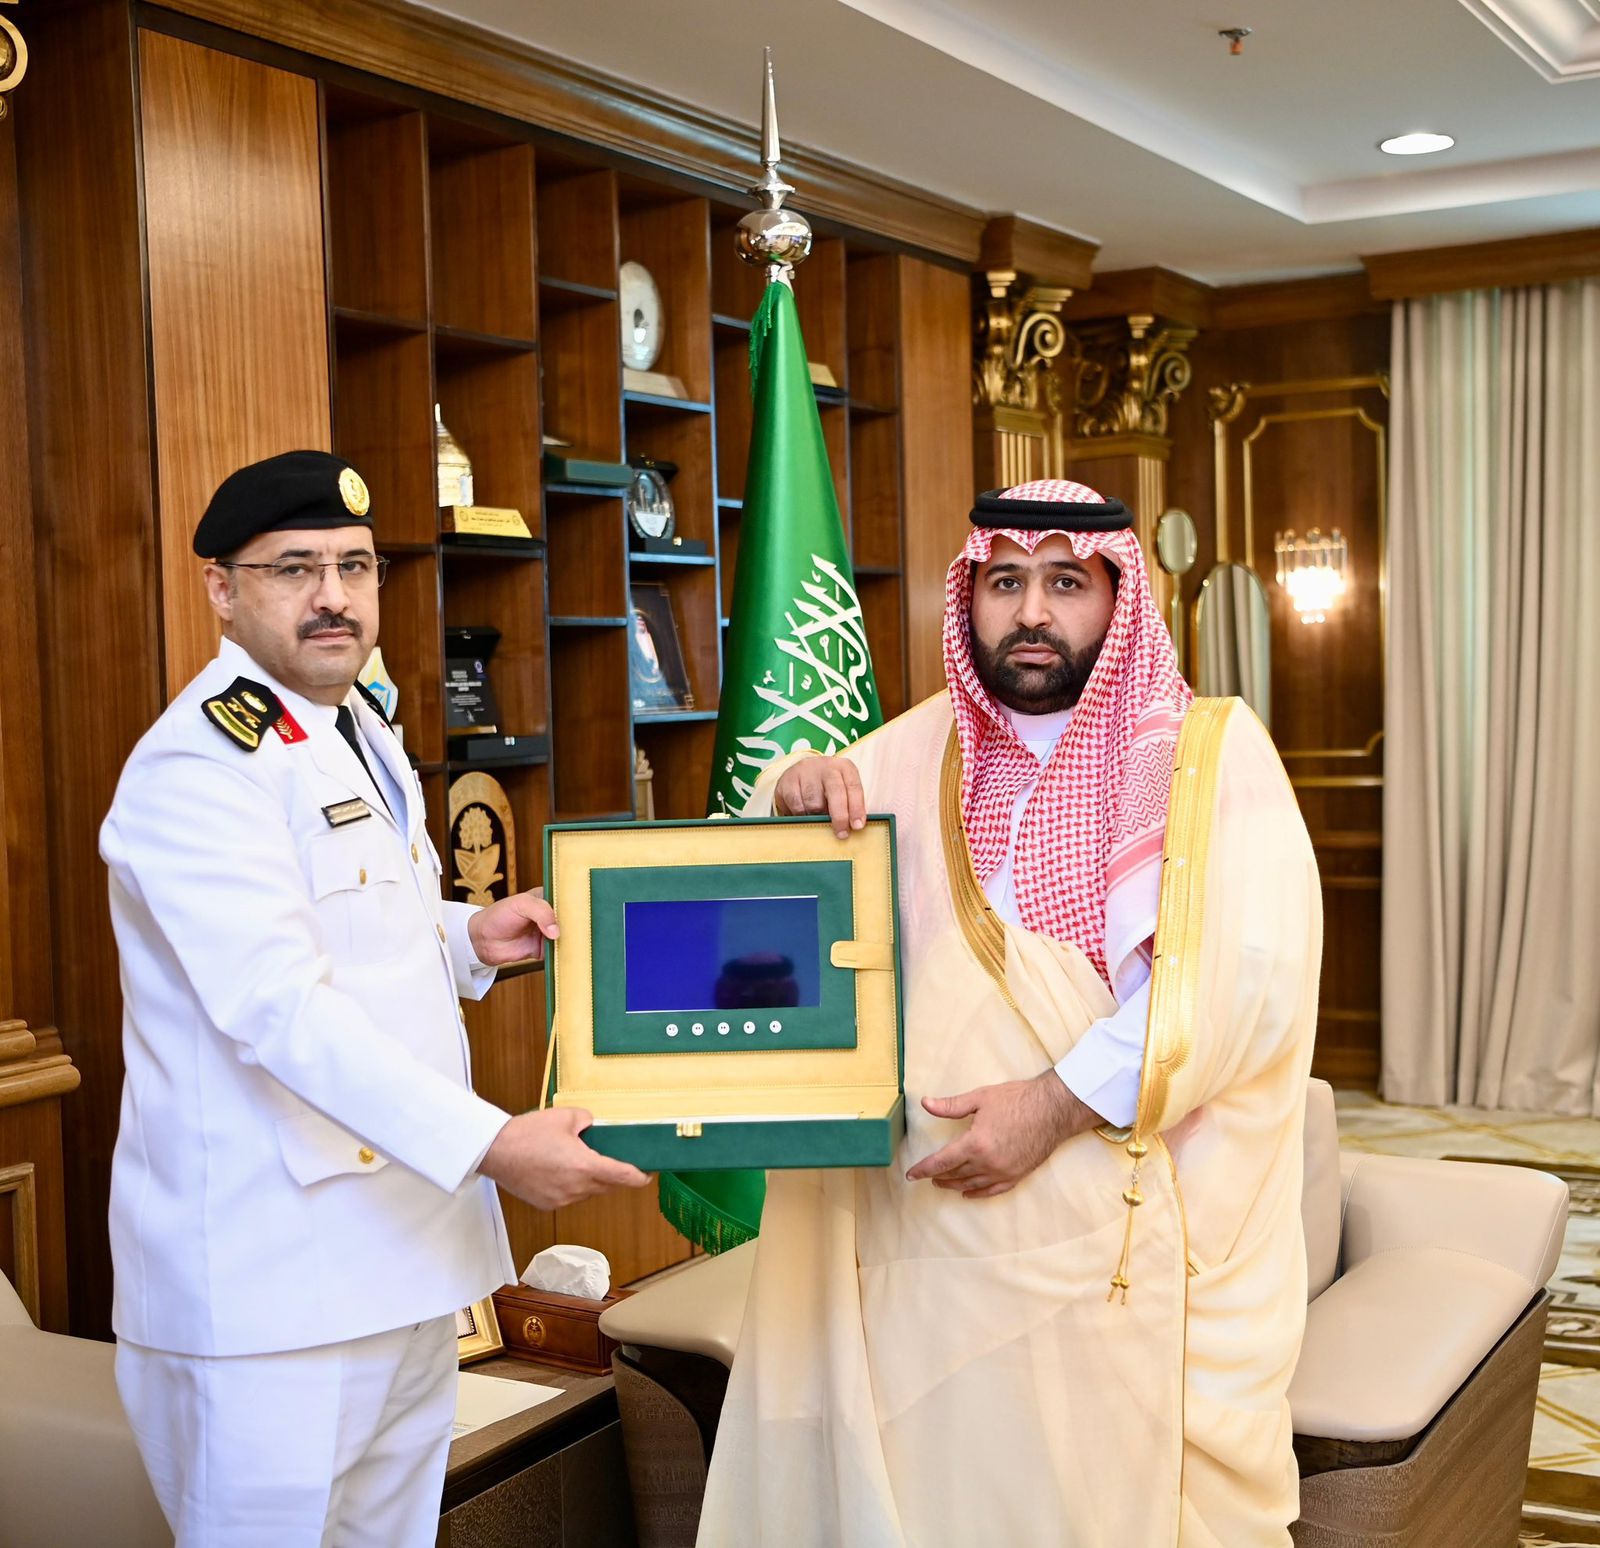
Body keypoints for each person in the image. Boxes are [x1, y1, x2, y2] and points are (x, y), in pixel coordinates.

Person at [696, 478, 1322, 1547]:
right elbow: (770, 920)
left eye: (1066, 583)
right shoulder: (906, 754)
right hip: (920, 1250)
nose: (1032, 612)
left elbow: (1236, 983)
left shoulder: (1208, 758)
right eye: (1005, 582)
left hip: (1114, 1255)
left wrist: (1047, 1107)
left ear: (1117, 599)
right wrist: (792, 793)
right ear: (969, 597)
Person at [100, 450, 649, 1547]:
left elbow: (351, 924)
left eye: (354, 566)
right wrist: (494, 1143)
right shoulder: (198, 767)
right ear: (221, 588)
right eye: (294, 568)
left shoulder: (349, 724)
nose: (333, 596)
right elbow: (280, 1009)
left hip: (403, 1257)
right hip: (270, 1291)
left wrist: (465, 935)